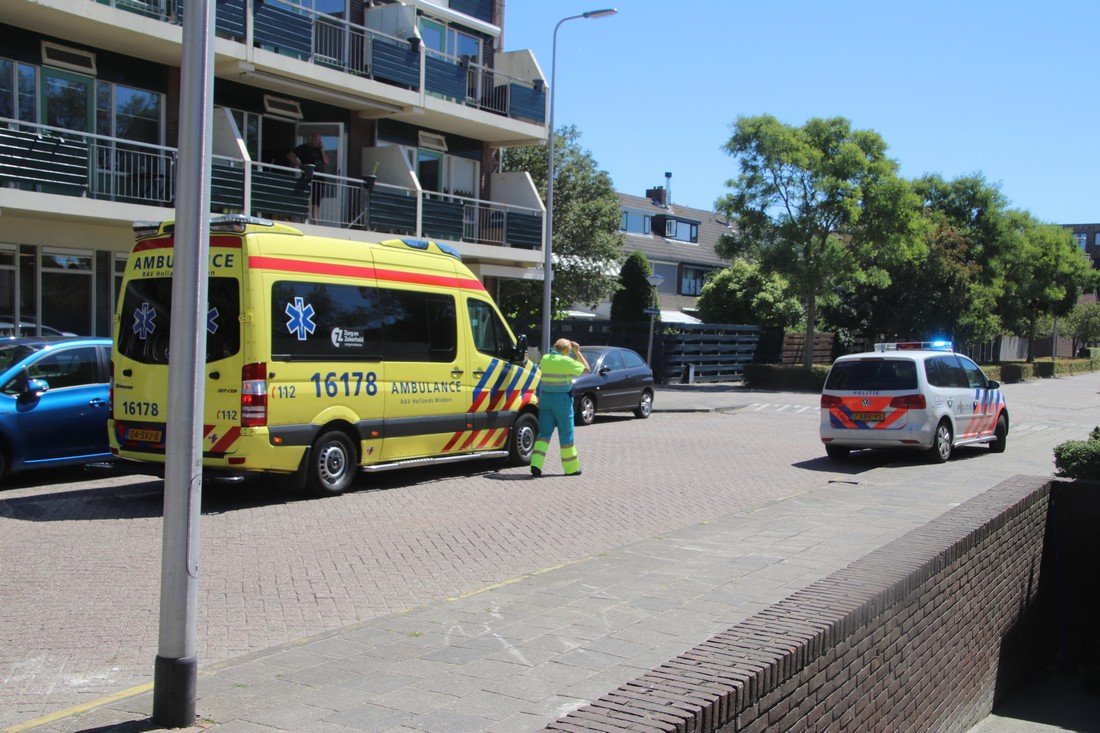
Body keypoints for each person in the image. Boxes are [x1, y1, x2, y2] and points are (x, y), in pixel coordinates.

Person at [531, 338, 590, 477]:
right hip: (562, 400)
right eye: (569, 351)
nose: (569, 353)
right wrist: (577, 351)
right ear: (565, 350)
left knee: (543, 434)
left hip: (545, 398)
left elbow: (541, 375)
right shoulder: (566, 361)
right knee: (566, 433)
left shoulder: (545, 358)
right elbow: (587, 369)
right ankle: (571, 468)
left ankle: (536, 465)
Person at [287, 133, 328, 221]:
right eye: (316, 140)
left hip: (319, 178)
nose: (317, 142)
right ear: (311, 139)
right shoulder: (303, 148)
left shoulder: (319, 150)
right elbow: (290, 156)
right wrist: (300, 165)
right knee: (304, 198)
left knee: (316, 202)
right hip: (307, 176)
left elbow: (326, 162)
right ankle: (303, 220)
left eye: (319, 141)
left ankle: (315, 222)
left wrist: (322, 150)